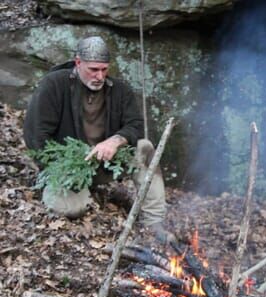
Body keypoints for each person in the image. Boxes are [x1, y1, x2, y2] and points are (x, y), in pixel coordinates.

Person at [23, 36, 175, 244]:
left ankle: (154, 222)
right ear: (78, 63)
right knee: (70, 208)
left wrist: (116, 140)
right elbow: (36, 137)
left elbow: (136, 125)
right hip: (68, 167)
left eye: (104, 69)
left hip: (107, 161)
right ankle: (78, 194)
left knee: (145, 147)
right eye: (93, 69)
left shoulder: (119, 90)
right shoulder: (54, 85)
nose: (100, 76)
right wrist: (60, 168)